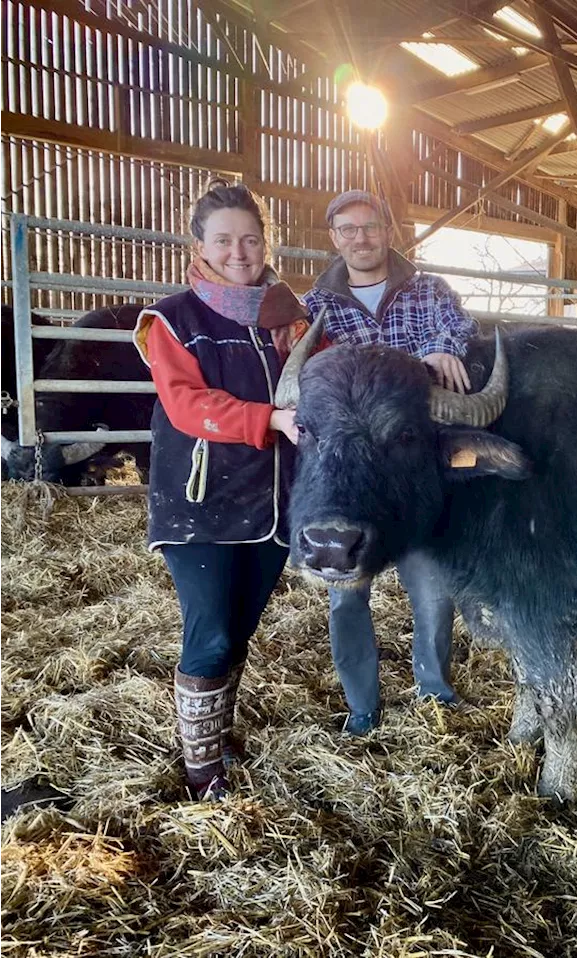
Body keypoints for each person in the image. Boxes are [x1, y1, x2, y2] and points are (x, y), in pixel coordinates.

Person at [134, 178, 317, 800]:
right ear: (200, 246)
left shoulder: (291, 319)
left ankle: (217, 735)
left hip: (273, 501)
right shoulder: (173, 319)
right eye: (224, 240)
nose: (239, 251)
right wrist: (266, 419)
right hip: (199, 502)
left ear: (267, 241)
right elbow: (186, 404)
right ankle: (201, 772)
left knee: (239, 628)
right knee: (209, 631)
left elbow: (327, 374)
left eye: (250, 238)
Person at [302, 190, 479, 734]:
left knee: (430, 582)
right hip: (345, 476)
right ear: (335, 238)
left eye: (370, 227)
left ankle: (435, 692)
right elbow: (300, 366)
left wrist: (446, 348)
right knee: (345, 591)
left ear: (389, 231)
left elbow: (460, 329)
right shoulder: (317, 305)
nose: (361, 238)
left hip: (408, 465)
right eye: (348, 230)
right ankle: (363, 706)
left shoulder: (429, 291)